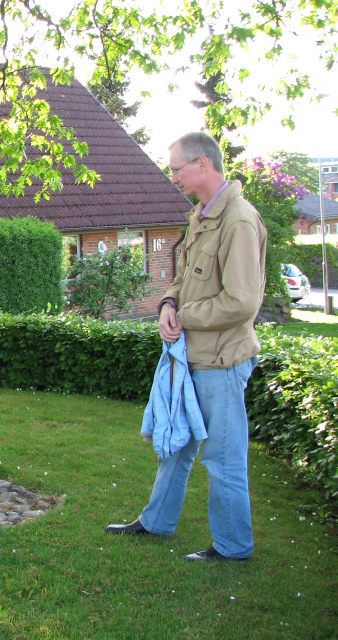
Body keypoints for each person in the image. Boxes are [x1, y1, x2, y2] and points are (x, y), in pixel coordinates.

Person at [105, 132, 267, 561]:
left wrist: (185, 316)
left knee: (223, 459)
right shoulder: (200, 215)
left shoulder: (239, 220)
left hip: (221, 360)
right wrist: (167, 306)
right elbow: (181, 279)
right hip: (190, 357)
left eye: (176, 168)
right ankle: (157, 522)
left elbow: (242, 301)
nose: (171, 175)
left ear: (202, 164)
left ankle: (233, 546)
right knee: (175, 445)